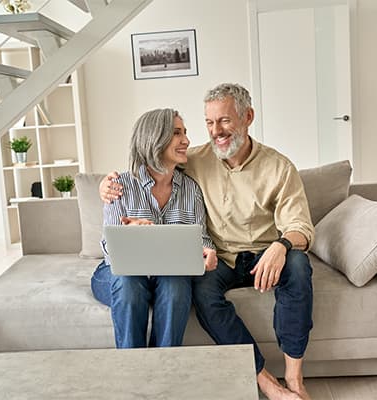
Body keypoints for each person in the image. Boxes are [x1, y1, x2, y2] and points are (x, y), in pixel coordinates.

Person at [101, 84, 314, 400]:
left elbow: (300, 227)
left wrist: (280, 246)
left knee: (297, 264)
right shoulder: (184, 163)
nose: (216, 132)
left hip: (263, 255)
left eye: (225, 121)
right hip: (219, 261)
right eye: (210, 123)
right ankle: (262, 380)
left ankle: (294, 379)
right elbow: (151, 162)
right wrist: (106, 189)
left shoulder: (277, 168)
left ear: (248, 117)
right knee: (184, 287)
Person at [91, 108, 217, 349]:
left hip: (168, 274)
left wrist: (207, 254)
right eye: (177, 133)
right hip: (119, 274)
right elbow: (110, 251)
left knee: (177, 285)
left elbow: (202, 239)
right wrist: (130, 235)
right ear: (155, 138)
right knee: (129, 284)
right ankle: (133, 369)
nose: (186, 141)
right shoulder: (120, 185)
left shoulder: (191, 189)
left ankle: (163, 370)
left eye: (185, 133)